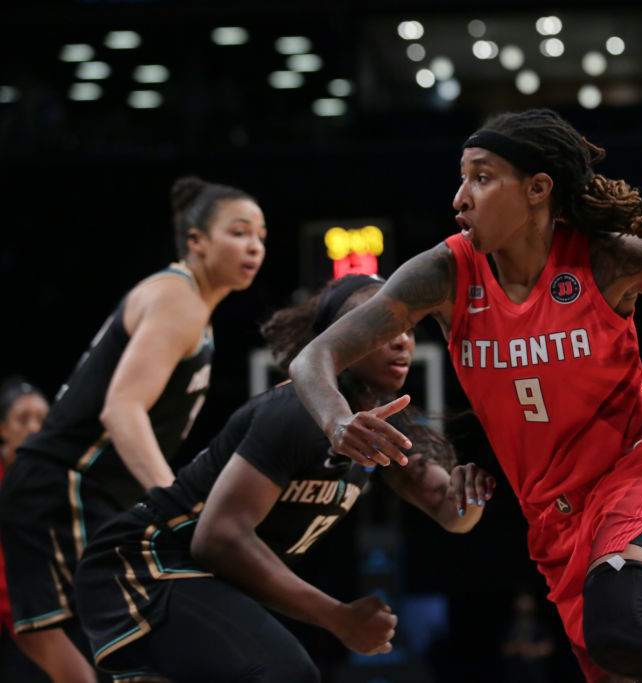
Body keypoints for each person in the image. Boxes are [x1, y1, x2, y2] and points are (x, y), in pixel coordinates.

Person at [290, 109, 642, 683]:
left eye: (480, 177)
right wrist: (336, 419)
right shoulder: (445, 273)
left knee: (623, 630)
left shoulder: (609, 258)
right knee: (627, 651)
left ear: (537, 189)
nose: (459, 198)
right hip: (554, 520)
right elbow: (312, 358)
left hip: (639, 471)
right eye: (461, 177)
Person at [72, 273, 496, 682]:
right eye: (382, 325)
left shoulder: (386, 427)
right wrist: (337, 616)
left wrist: (470, 494)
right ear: (338, 338)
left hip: (194, 580)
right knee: (285, 672)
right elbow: (217, 538)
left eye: (406, 327)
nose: (402, 338)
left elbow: (450, 513)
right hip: (143, 564)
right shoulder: (296, 410)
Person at [0, 176, 267, 682]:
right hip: (68, 484)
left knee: (49, 632)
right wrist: (176, 503)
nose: (254, 245)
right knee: (149, 625)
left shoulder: (190, 307)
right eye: (238, 232)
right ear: (196, 241)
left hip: (63, 487)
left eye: (261, 236)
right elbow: (121, 409)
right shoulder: (178, 298)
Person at [0, 378, 50, 681]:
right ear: (2, 428)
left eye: (42, 420)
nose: (33, 428)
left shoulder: (60, 481)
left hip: (40, 620)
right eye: (23, 419)